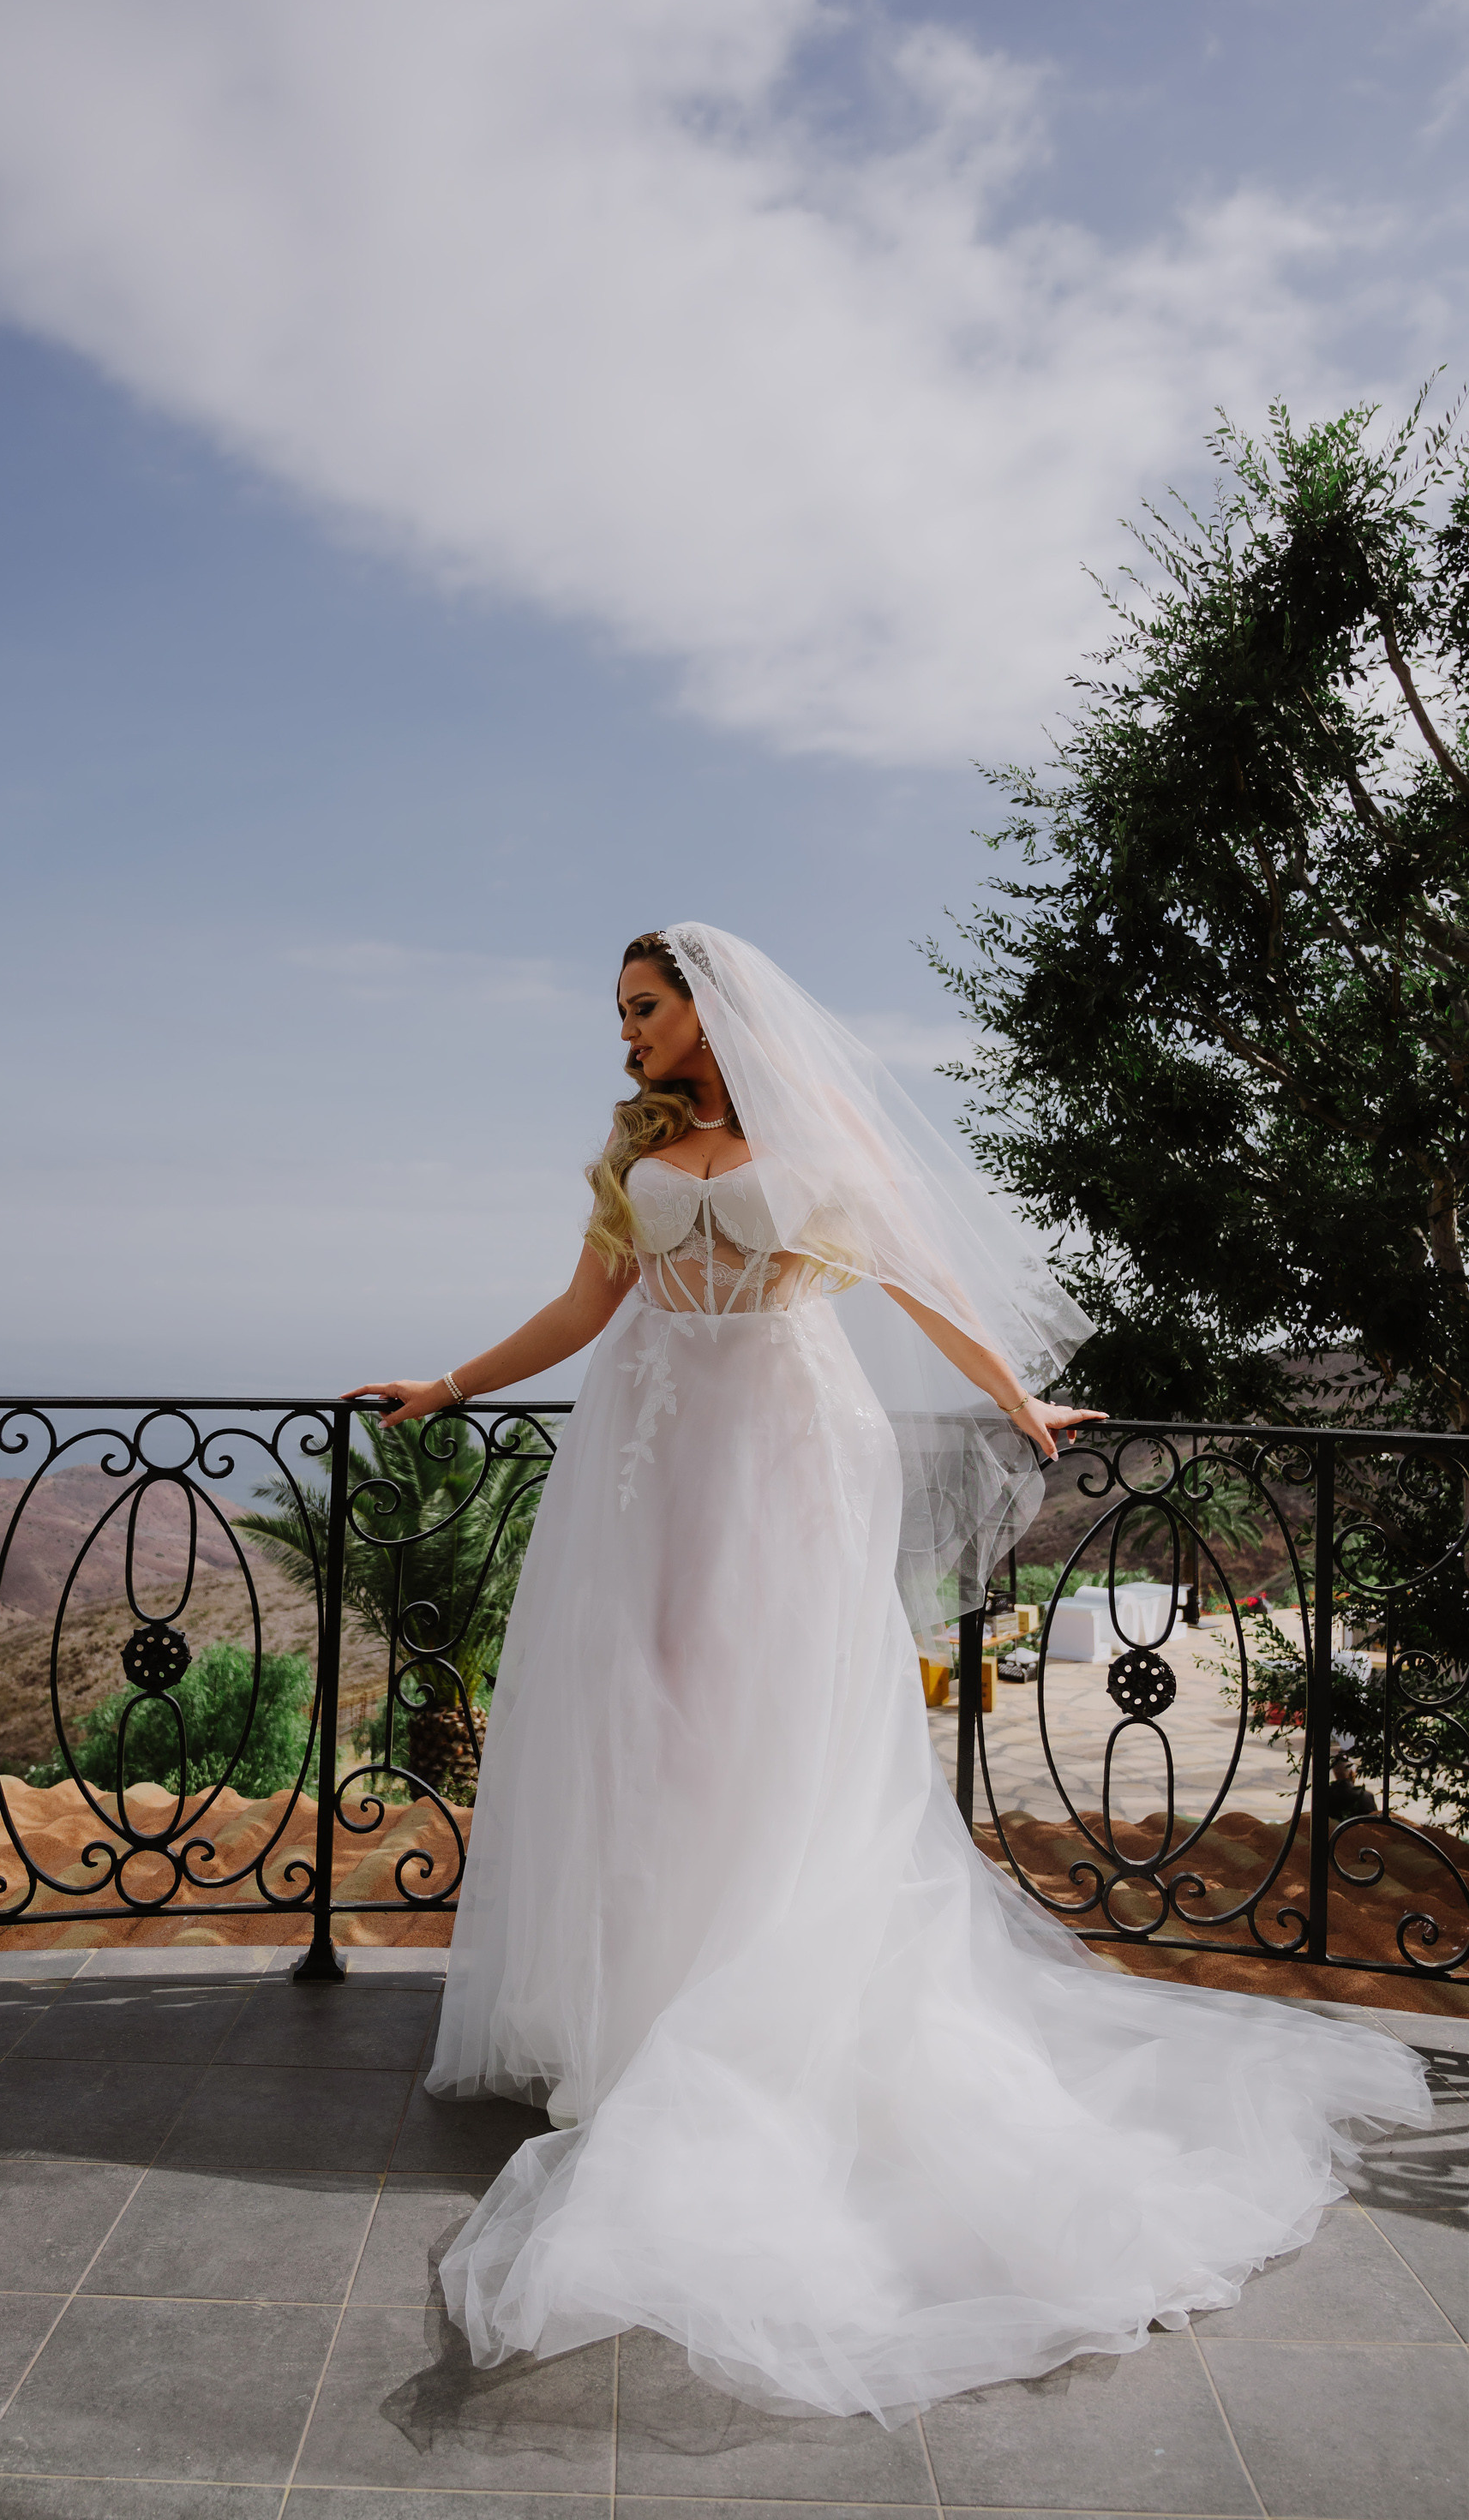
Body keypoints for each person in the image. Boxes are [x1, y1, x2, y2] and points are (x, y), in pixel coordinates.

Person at [347, 922, 1429, 2427]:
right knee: (644, 1721)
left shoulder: (817, 1136)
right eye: (621, 1013)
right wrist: (448, 1384)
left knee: (771, 1720)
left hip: (788, 1450)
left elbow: (915, 1279)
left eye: (642, 1011)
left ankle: (760, 2005)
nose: (625, 1036)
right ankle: (642, 2013)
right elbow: (588, 1313)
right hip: (650, 1461)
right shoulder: (633, 1149)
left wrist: (1009, 1391)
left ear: (709, 1014)